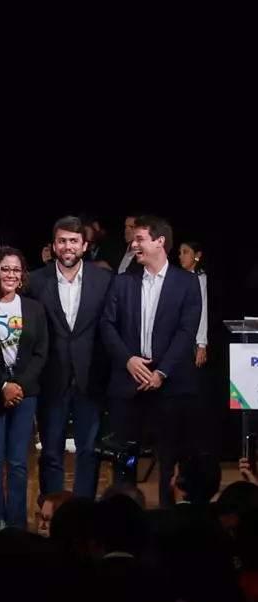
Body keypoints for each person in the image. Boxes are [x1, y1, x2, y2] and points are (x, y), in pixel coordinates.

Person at [100, 215, 202, 506]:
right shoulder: (123, 282)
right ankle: (125, 519)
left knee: (169, 459)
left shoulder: (187, 283)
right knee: (126, 460)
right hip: (128, 383)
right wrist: (128, 361)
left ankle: (168, 520)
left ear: (160, 242)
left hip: (170, 387)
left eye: (140, 239)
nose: (134, 245)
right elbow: (107, 325)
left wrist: (161, 373)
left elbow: (186, 333)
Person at [27, 215, 114, 500]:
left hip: (91, 377)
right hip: (51, 377)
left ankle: (83, 510)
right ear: (53, 246)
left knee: (88, 451)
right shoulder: (35, 281)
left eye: (74, 241)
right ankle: (52, 509)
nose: (68, 247)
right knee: (51, 451)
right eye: (62, 241)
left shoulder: (104, 280)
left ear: (85, 246)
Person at [0, 247, 49, 529]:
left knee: (18, 461)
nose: (11, 275)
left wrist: (18, 386)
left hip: (24, 394)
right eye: (5, 269)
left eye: (16, 270)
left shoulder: (34, 308)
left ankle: (17, 524)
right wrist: (3, 384)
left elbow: (41, 352)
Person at [177, 241, 208, 369]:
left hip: (192, 339)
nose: (181, 256)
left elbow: (203, 310)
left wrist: (201, 344)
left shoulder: (200, 278)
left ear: (197, 255)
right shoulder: (177, 277)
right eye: (180, 253)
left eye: (185, 252)